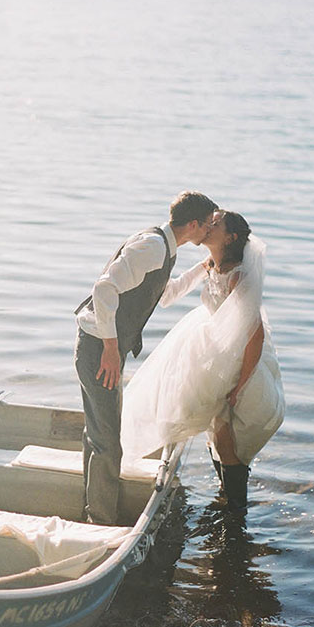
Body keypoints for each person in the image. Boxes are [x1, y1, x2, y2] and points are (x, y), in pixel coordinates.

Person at [121, 209, 285, 513]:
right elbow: (170, 294)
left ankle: (235, 509)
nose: (210, 225)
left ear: (231, 237)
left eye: (217, 223)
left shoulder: (240, 276)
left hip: (238, 362)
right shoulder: (210, 265)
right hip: (211, 354)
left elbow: (256, 336)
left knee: (227, 437)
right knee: (214, 433)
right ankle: (227, 503)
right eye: (210, 220)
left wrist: (241, 386)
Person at [75, 191, 217, 525]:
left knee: (99, 434)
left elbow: (163, 295)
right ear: (193, 224)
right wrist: (110, 349)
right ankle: (100, 522)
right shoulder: (153, 247)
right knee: (108, 442)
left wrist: (201, 269)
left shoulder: (164, 248)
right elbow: (104, 289)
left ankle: (92, 511)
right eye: (208, 225)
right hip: (99, 349)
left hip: (102, 346)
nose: (210, 231)